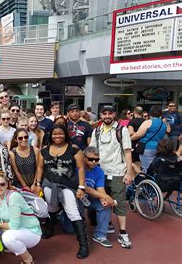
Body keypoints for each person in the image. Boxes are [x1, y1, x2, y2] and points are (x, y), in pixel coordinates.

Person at [32, 124, 89, 259]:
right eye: (55, 134)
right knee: (51, 207)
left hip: (67, 185)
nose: (58, 136)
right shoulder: (44, 150)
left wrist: (81, 187)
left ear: (66, 135)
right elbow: (40, 168)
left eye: (61, 134)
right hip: (49, 184)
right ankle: (50, 229)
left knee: (72, 212)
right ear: (50, 135)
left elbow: (81, 168)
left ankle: (84, 245)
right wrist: (38, 184)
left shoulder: (74, 149)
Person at [89, 105, 134, 249]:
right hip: (100, 171)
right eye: (104, 114)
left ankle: (123, 232)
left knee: (119, 202)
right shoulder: (97, 131)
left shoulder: (122, 130)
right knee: (103, 199)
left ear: (114, 114)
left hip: (117, 171)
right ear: (101, 115)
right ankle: (106, 224)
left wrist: (129, 172)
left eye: (109, 113)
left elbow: (127, 152)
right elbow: (92, 151)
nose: (107, 116)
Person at [0, 172, 41, 263]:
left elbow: (14, 225)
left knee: (8, 238)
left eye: (2, 184)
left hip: (31, 231)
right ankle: (7, 246)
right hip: (17, 228)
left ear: (7, 184)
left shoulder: (13, 197)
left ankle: (28, 260)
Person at [81, 146, 115, 248]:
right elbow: (85, 187)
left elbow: (100, 189)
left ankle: (100, 235)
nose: (94, 162)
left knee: (105, 205)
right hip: (77, 197)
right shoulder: (78, 167)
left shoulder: (99, 171)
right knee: (69, 229)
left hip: (91, 198)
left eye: (97, 160)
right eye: (91, 159)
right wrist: (105, 196)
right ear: (84, 158)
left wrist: (104, 199)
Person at [131, 105, 168, 173]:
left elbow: (138, 134)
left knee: (146, 169)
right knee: (156, 168)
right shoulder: (164, 124)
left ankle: (147, 182)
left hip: (147, 148)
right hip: (159, 148)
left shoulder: (148, 122)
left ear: (150, 113)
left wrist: (129, 139)